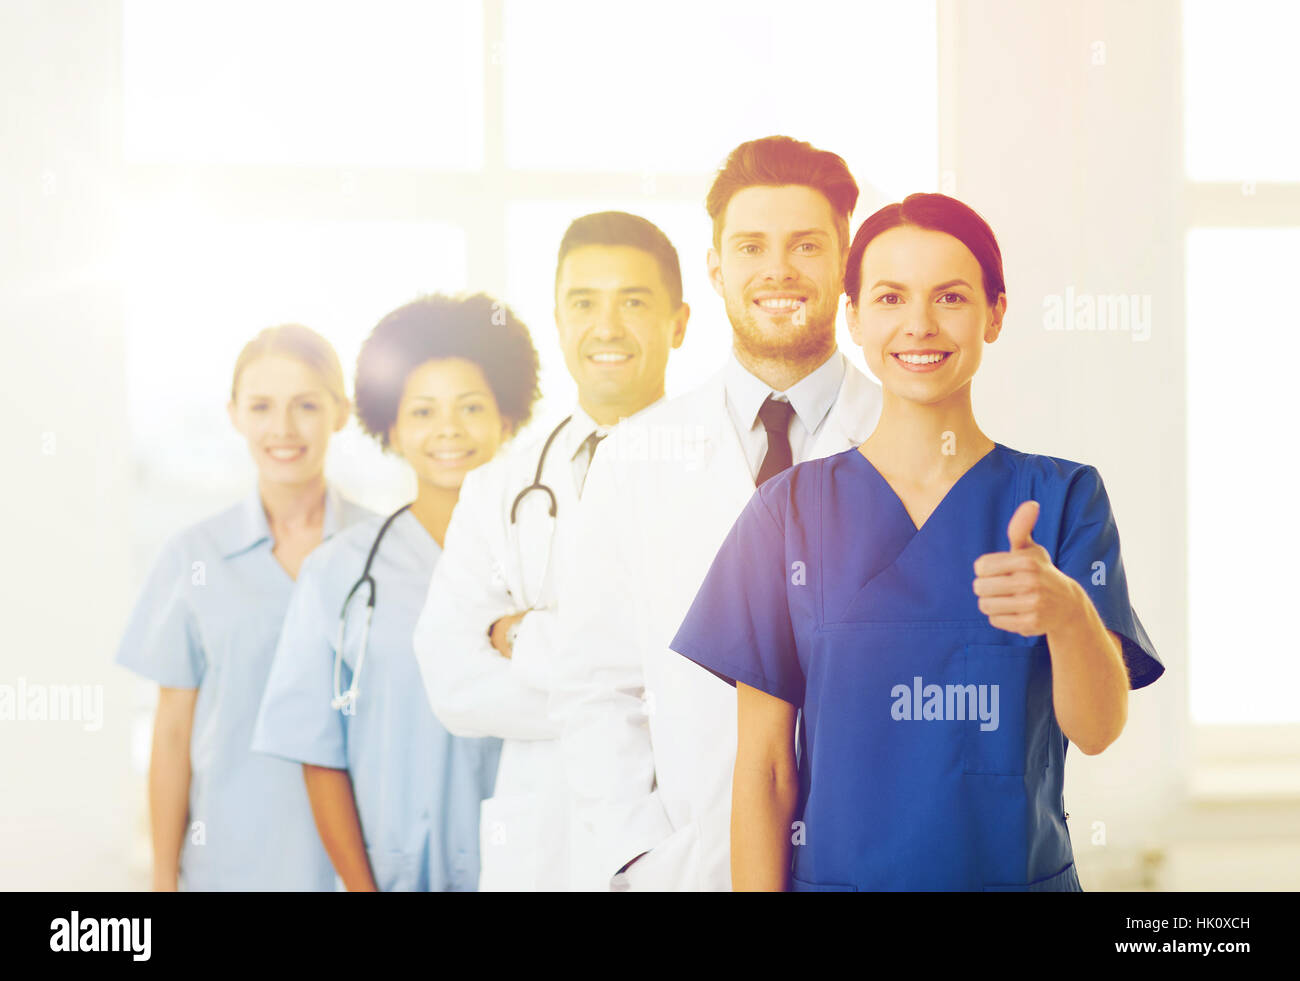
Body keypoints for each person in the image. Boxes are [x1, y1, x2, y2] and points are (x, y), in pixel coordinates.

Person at [671, 192, 1165, 891]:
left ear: (995, 313)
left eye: (952, 297)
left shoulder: (1062, 498)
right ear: (855, 318)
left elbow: (1097, 728)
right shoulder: (788, 514)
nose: (919, 325)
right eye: (891, 297)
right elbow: (766, 769)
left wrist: (1068, 613)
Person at [551, 136, 884, 891]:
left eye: (806, 245)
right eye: (750, 246)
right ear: (716, 269)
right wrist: (640, 855)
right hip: (692, 866)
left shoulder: (908, 439)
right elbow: (595, 683)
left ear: (844, 266)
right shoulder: (637, 455)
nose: (778, 270)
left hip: (881, 859)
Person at [414, 212, 689, 890]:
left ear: (679, 323)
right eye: (584, 303)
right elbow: (452, 681)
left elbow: (718, 679)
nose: (607, 327)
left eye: (634, 301)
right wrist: (642, 691)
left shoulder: (723, 474)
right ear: (559, 320)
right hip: (542, 849)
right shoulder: (498, 485)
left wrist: (526, 637)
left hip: (679, 835)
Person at [251, 294, 539, 891]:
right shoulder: (340, 573)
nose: (449, 431)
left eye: (471, 407)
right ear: (392, 427)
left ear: (506, 418)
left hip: (533, 868)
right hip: (392, 876)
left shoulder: (546, 561)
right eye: (424, 411)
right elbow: (319, 752)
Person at [115, 324, 370, 891]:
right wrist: (162, 881)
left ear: (341, 412)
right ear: (234, 415)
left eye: (306, 404)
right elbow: (173, 735)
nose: (282, 428)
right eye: (261, 406)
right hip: (227, 870)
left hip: (358, 872)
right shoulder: (194, 556)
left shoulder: (383, 551)